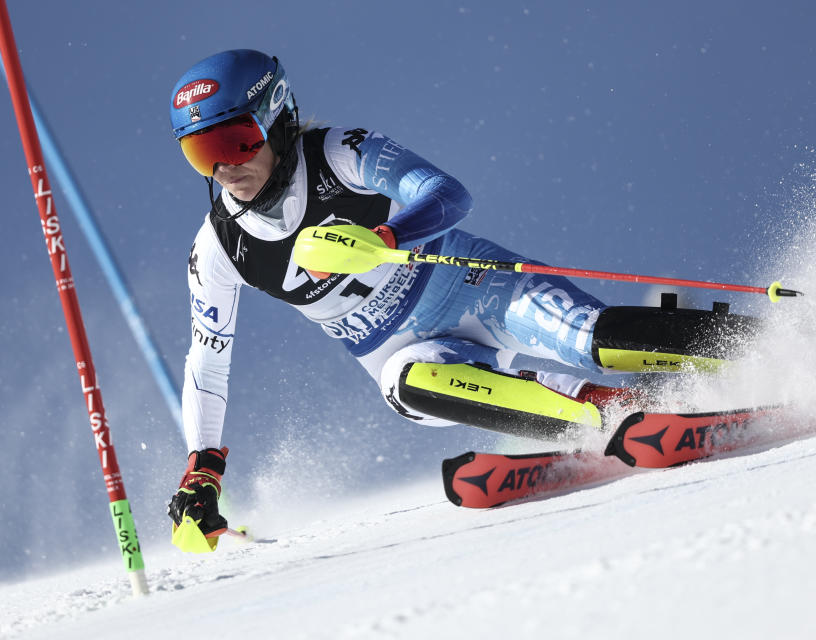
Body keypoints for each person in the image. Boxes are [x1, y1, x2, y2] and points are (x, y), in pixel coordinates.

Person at [166, 49, 756, 545]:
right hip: (402, 352)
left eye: (235, 141)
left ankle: (767, 346)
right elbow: (208, 362)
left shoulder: (339, 152)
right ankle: (608, 412)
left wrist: (385, 239)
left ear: (274, 117)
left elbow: (449, 194)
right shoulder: (217, 247)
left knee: (593, 339)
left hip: (479, 287)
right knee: (408, 384)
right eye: (200, 152)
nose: (223, 168)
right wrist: (202, 471)